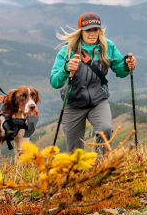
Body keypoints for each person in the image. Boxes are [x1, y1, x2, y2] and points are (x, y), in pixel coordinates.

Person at [49, 12, 137, 154]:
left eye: (95, 30)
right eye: (88, 30)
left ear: (99, 31)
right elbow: (55, 81)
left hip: (98, 100)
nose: (92, 34)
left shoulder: (107, 46)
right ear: (81, 32)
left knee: (105, 129)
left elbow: (120, 70)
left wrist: (127, 65)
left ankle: (100, 166)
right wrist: (66, 68)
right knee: (74, 150)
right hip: (73, 103)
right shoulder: (68, 50)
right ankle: (78, 174)